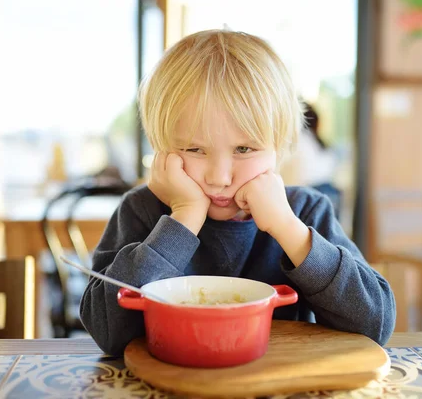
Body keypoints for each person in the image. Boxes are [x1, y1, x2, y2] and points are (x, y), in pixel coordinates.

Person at [80, 29, 395, 356]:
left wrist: (289, 230)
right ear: (162, 148)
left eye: (244, 148)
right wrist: (184, 217)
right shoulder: (141, 210)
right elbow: (107, 333)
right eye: (194, 149)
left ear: (280, 146)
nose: (219, 177)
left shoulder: (304, 211)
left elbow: (376, 325)